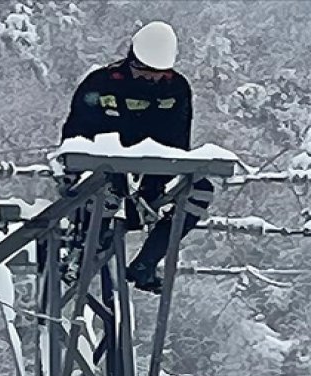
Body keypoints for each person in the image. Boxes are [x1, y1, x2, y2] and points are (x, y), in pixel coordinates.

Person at [58, 21, 215, 294]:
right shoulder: (101, 84)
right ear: (131, 61)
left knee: (199, 192)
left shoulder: (176, 89)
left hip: (151, 178)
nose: (152, 80)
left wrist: (154, 184)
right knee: (104, 190)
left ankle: (148, 260)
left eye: (159, 74)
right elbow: (74, 140)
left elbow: (177, 145)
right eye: (144, 72)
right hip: (100, 179)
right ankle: (87, 245)